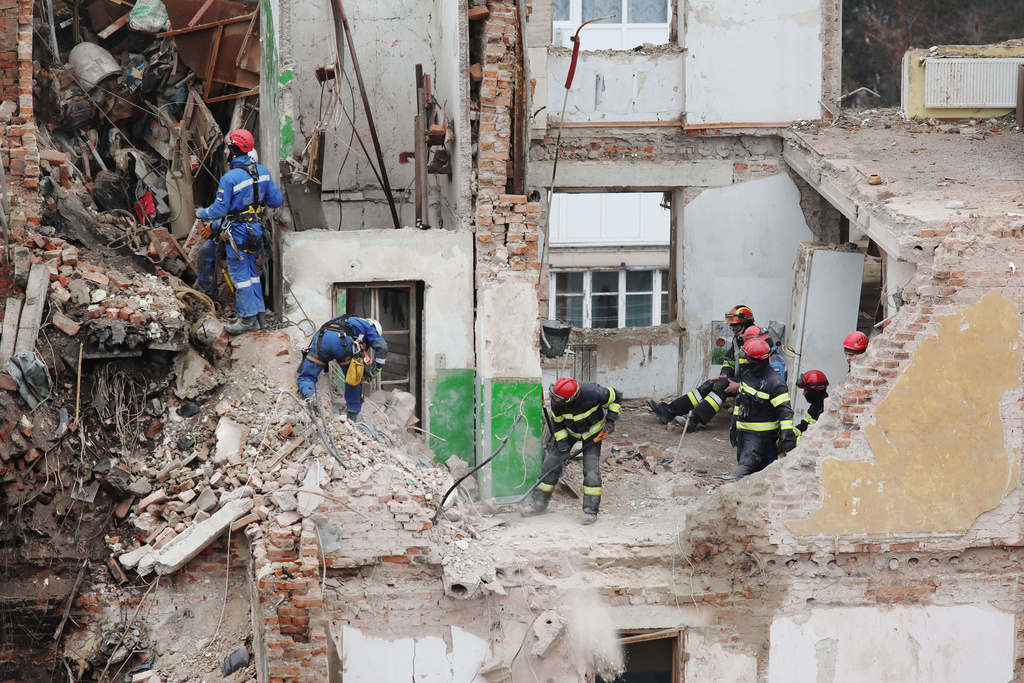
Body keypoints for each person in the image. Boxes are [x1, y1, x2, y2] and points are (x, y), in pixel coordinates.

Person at [195, 129, 284, 335]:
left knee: (240, 275)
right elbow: (276, 201)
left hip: (238, 232)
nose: (225, 151)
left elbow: (219, 210)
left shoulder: (230, 178)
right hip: (256, 231)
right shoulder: (262, 172)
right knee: (252, 273)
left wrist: (202, 213)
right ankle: (259, 317)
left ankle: (248, 320)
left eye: (227, 147)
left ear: (235, 149)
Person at [522, 378, 621, 525]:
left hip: (592, 432)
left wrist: (611, 419)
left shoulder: (594, 392)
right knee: (550, 465)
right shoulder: (557, 401)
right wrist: (563, 449)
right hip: (569, 431)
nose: (554, 400)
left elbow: (617, 396)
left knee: (591, 470)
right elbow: (558, 424)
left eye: (557, 398)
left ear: (572, 398)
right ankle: (538, 505)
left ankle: (590, 511)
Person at [647, 305, 755, 430]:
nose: (734, 330)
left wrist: (740, 385)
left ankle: (693, 420)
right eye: (732, 327)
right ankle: (669, 411)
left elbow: (763, 377)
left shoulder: (757, 343)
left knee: (722, 385)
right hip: (740, 381)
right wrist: (724, 374)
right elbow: (729, 362)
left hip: (752, 386)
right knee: (708, 384)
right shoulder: (739, 340)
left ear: (747, 324)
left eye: (736, 326)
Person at [296, 315, 388, 422]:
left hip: (322, 338)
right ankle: (352, 418)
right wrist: (376, 370)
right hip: (342, 343)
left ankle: (311, 395)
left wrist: (305, 361)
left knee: (307, 377)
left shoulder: (343, 318)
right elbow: (382, 346)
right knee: (353, 380)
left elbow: (323, 330)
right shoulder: (369, 326)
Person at [732, 338, 796, 479]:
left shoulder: (775, 383)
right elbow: (740, 401)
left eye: (749, 360)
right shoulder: (748, 375)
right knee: (757, 475)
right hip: (744, 434)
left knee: (742, 475)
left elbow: (785, 412)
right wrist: (734, 424)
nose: (746, 363)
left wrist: (787, 435)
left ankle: (740, 500)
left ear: (760, 360)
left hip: (760, 438)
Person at [794, 369, 828, 438]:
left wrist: (794, 441)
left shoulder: (824, 410)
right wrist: (789, 433)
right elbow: (803, 426)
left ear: (814, 391)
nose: (803, 394)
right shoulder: (815, 406)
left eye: (805, 390)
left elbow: (815, 437)